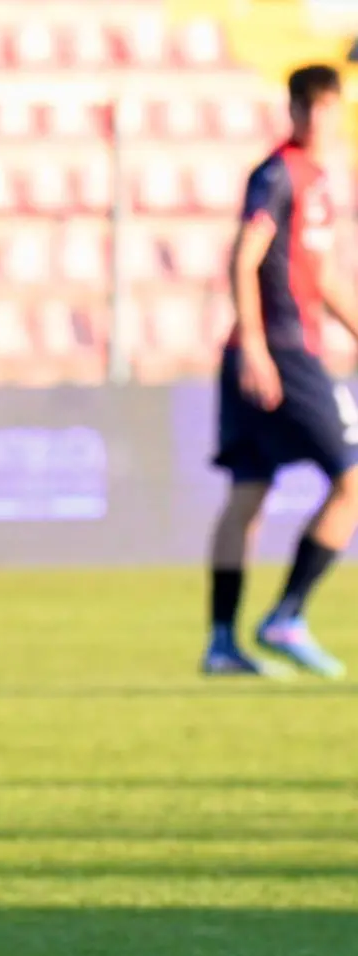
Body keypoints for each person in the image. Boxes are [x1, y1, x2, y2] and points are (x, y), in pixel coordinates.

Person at [204, 64, 358, 678]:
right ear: (294, 112)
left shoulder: (318, 180)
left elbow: (320, 277)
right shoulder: (279, 173)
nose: (323, 119)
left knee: (250, 491)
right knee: (351, 481)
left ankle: (223, 643)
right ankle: (283, 616)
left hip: (276, 347)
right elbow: (244, 258)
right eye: (313, 108)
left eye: (332, 107)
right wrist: (258, 346)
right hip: (283, 350)